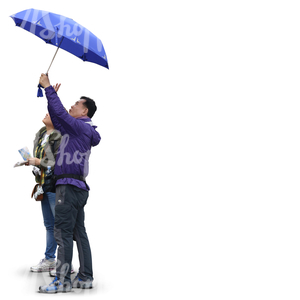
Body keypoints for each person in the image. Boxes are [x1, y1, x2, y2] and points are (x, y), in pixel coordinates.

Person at [38, 74, 101, 293]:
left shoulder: (79, 127)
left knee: (62, 232)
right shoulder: (81, 130)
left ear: (84, 111)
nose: (72, 106)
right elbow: (59, 116)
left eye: (76, 104)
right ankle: (85, 277)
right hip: (78, 188)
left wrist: (48, 88)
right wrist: (51, 95)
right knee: (78, 232)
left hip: (67, 186)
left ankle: (62, 280)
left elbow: (62, 116)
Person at [26, 107, 62, 273]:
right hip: (42, 183)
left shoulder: (60, 137)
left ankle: (64, 262)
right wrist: (32, 163)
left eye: (50, 113)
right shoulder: (41, 135)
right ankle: (49, 259)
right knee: (49, 224)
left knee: (60, 225)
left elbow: (56, 161)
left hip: (55, 184)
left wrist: (38, 161)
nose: (46, 113)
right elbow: (41, 160)